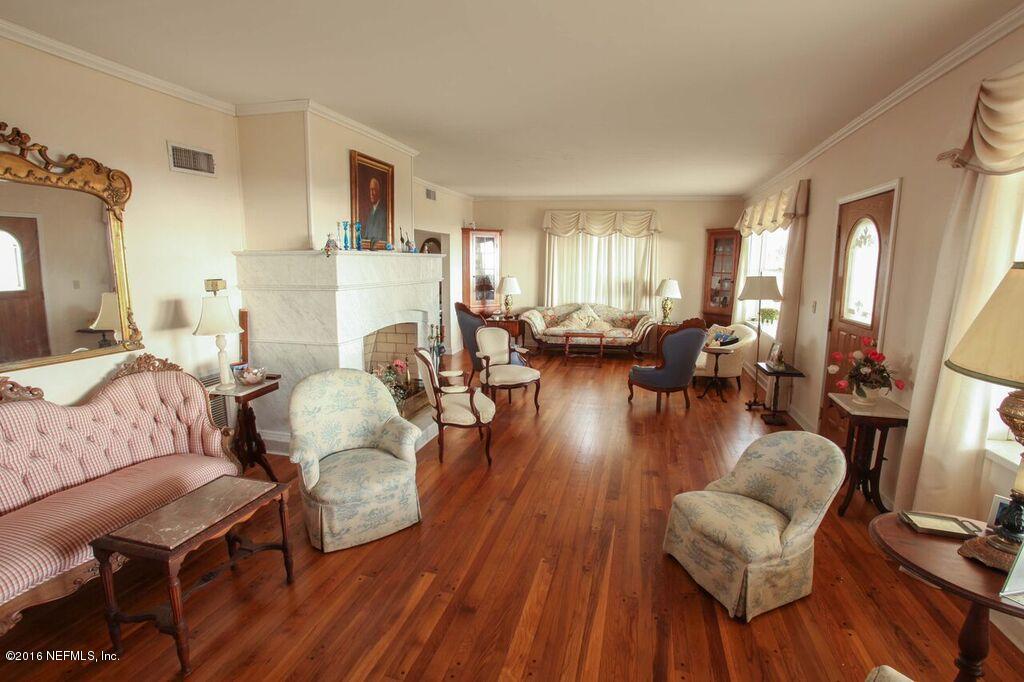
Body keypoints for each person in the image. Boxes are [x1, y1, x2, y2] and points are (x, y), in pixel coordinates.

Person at [363, 176, 388, 243]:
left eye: (373, 189)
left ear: (378, 191)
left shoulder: (384, 212)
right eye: (370, 190)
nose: (371, 193)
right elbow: (366, 236)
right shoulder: (370, 213)